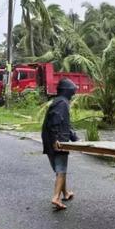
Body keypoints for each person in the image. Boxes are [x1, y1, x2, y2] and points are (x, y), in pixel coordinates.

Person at [41, 78, 78, 210]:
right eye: (72, 92)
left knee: (59, 170)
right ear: (67, 91)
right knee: (61, 170)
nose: (73, 95)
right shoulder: (62, 103)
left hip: (50, 139)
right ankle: (56, 197)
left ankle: (66, 193)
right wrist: (56, 139)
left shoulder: (57, 101)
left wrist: (74, 138)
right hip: (58, 141)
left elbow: (64, 123)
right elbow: (56, 121)